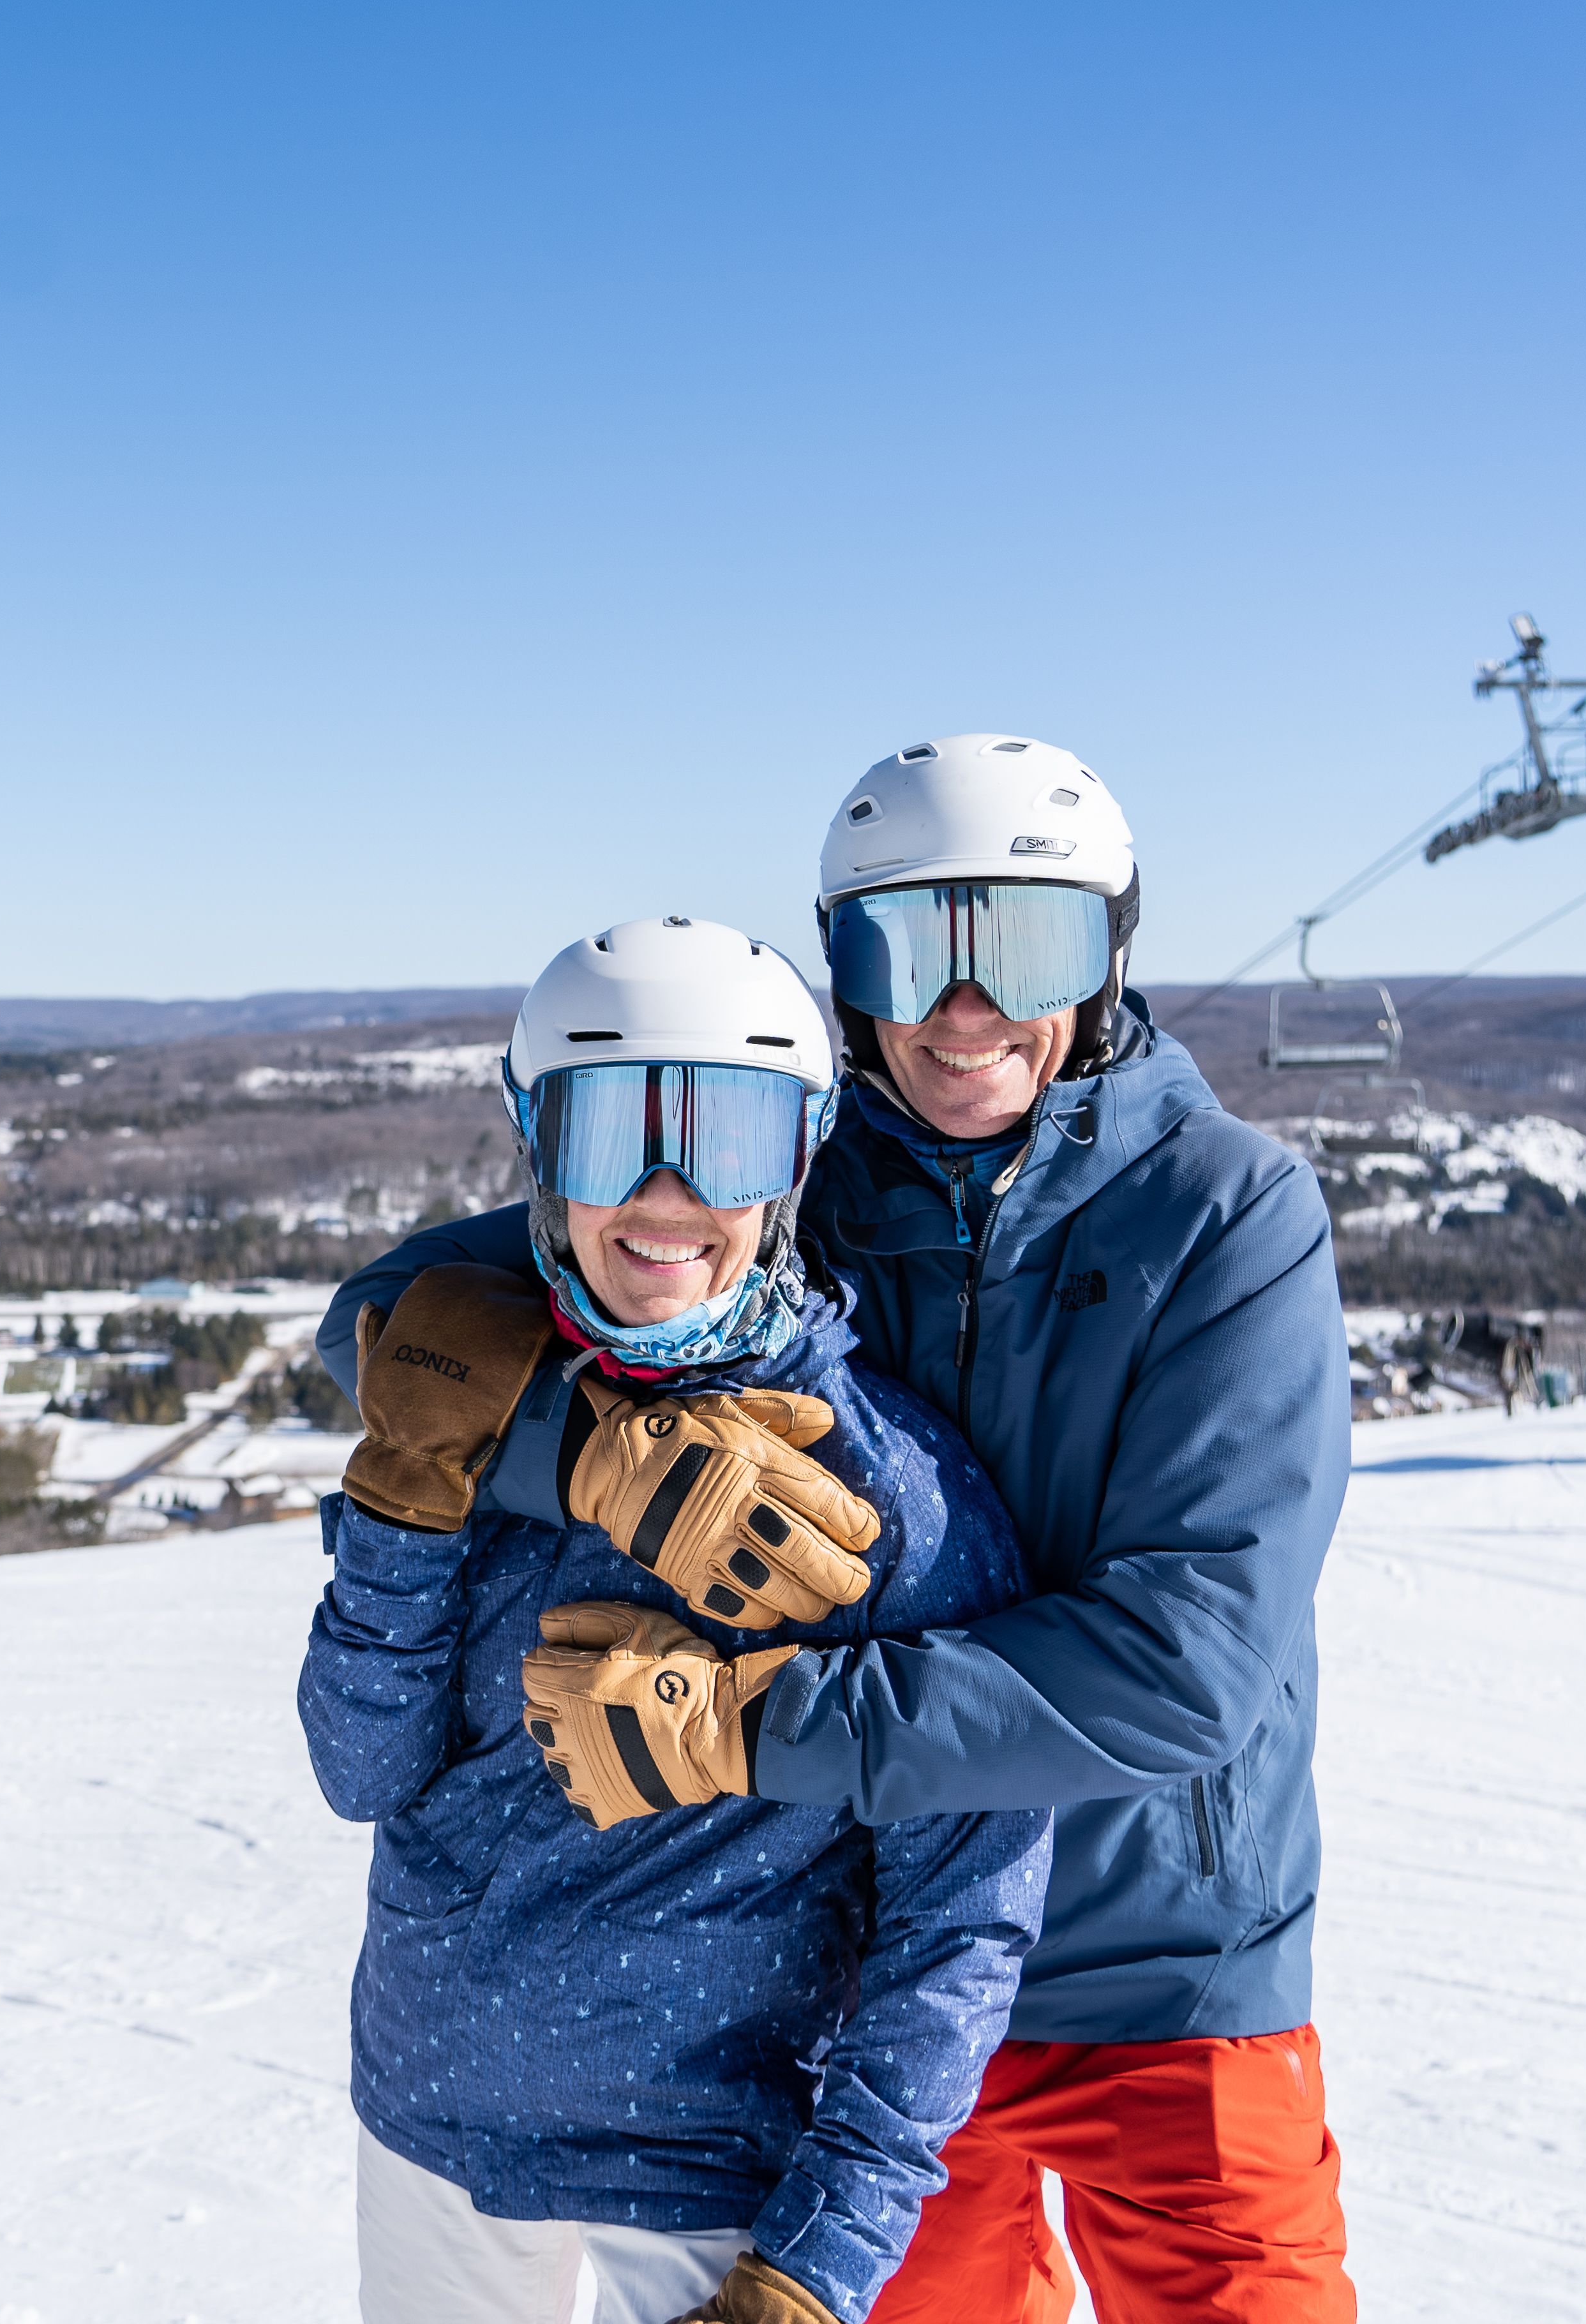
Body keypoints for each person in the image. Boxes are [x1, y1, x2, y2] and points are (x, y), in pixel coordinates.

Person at [327, 740, 1358, 2321]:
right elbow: (400, 1332)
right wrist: (604, 1458)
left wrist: (753, 1722)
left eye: (1023, 943)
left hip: (1161, 1950)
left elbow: (1184, 1667)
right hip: (867, 1970)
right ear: (842, 966)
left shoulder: (1224, 1214)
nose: (963, 1009)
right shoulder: (773, 1155)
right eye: (906, 949)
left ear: (1111, 951)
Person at [303, 914, 1050, 2324]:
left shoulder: (885, 1495)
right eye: (613, 1134)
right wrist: (406, 1503)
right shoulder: (461, 1411)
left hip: (711, 2169)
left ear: (797, 1162)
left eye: (727, 1134)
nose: (667, 1193)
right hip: (434, 2117)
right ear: (538, 1141)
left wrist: (817, 2262)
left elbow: (960, 1916)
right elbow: (359, 1769)